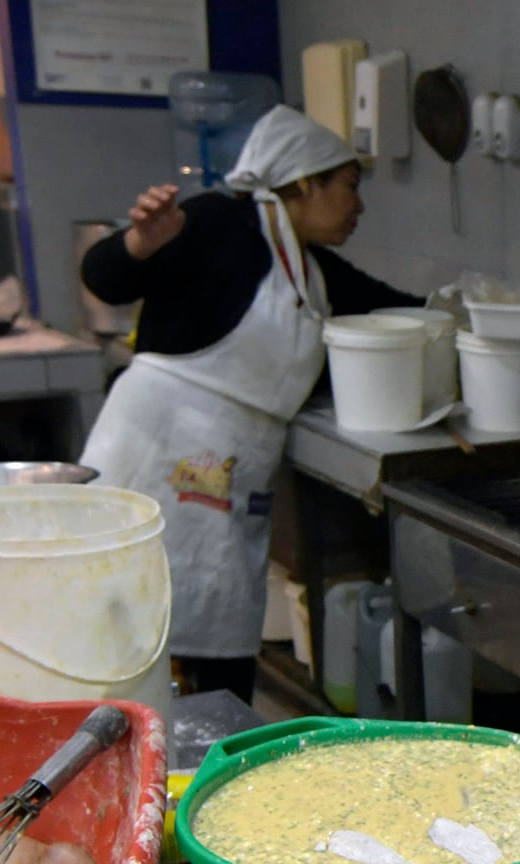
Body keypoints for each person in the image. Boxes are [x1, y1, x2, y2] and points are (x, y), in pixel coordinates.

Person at [79, 105, 421, 702]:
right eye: (350, 185)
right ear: (305, 181)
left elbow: (398, 309)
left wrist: (470, 310)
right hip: (155, 452)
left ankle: (208, 769)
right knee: (122, 634)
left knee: (220, 639)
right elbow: (104, 277)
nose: (358, 205)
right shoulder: (218, 222)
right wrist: (139, 243)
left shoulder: (312, 272)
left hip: (231, 474)